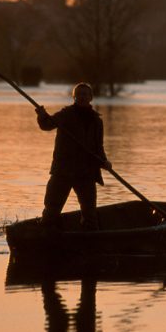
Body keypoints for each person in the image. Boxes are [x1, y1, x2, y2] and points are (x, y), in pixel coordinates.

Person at [36, 83, 112, 230]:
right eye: (79, 94)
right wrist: (42, 115)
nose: (82, 97)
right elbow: (47, 125)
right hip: (63, 171)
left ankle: (90, 240)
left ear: (90, 98)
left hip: (86, 172)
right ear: (74, 97)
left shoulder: (97, 121)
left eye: (85, 94)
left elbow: (98, 147)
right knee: (52, 209)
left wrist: (104, 162)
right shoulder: (66, 115)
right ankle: (45, 236)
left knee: (90, 213)